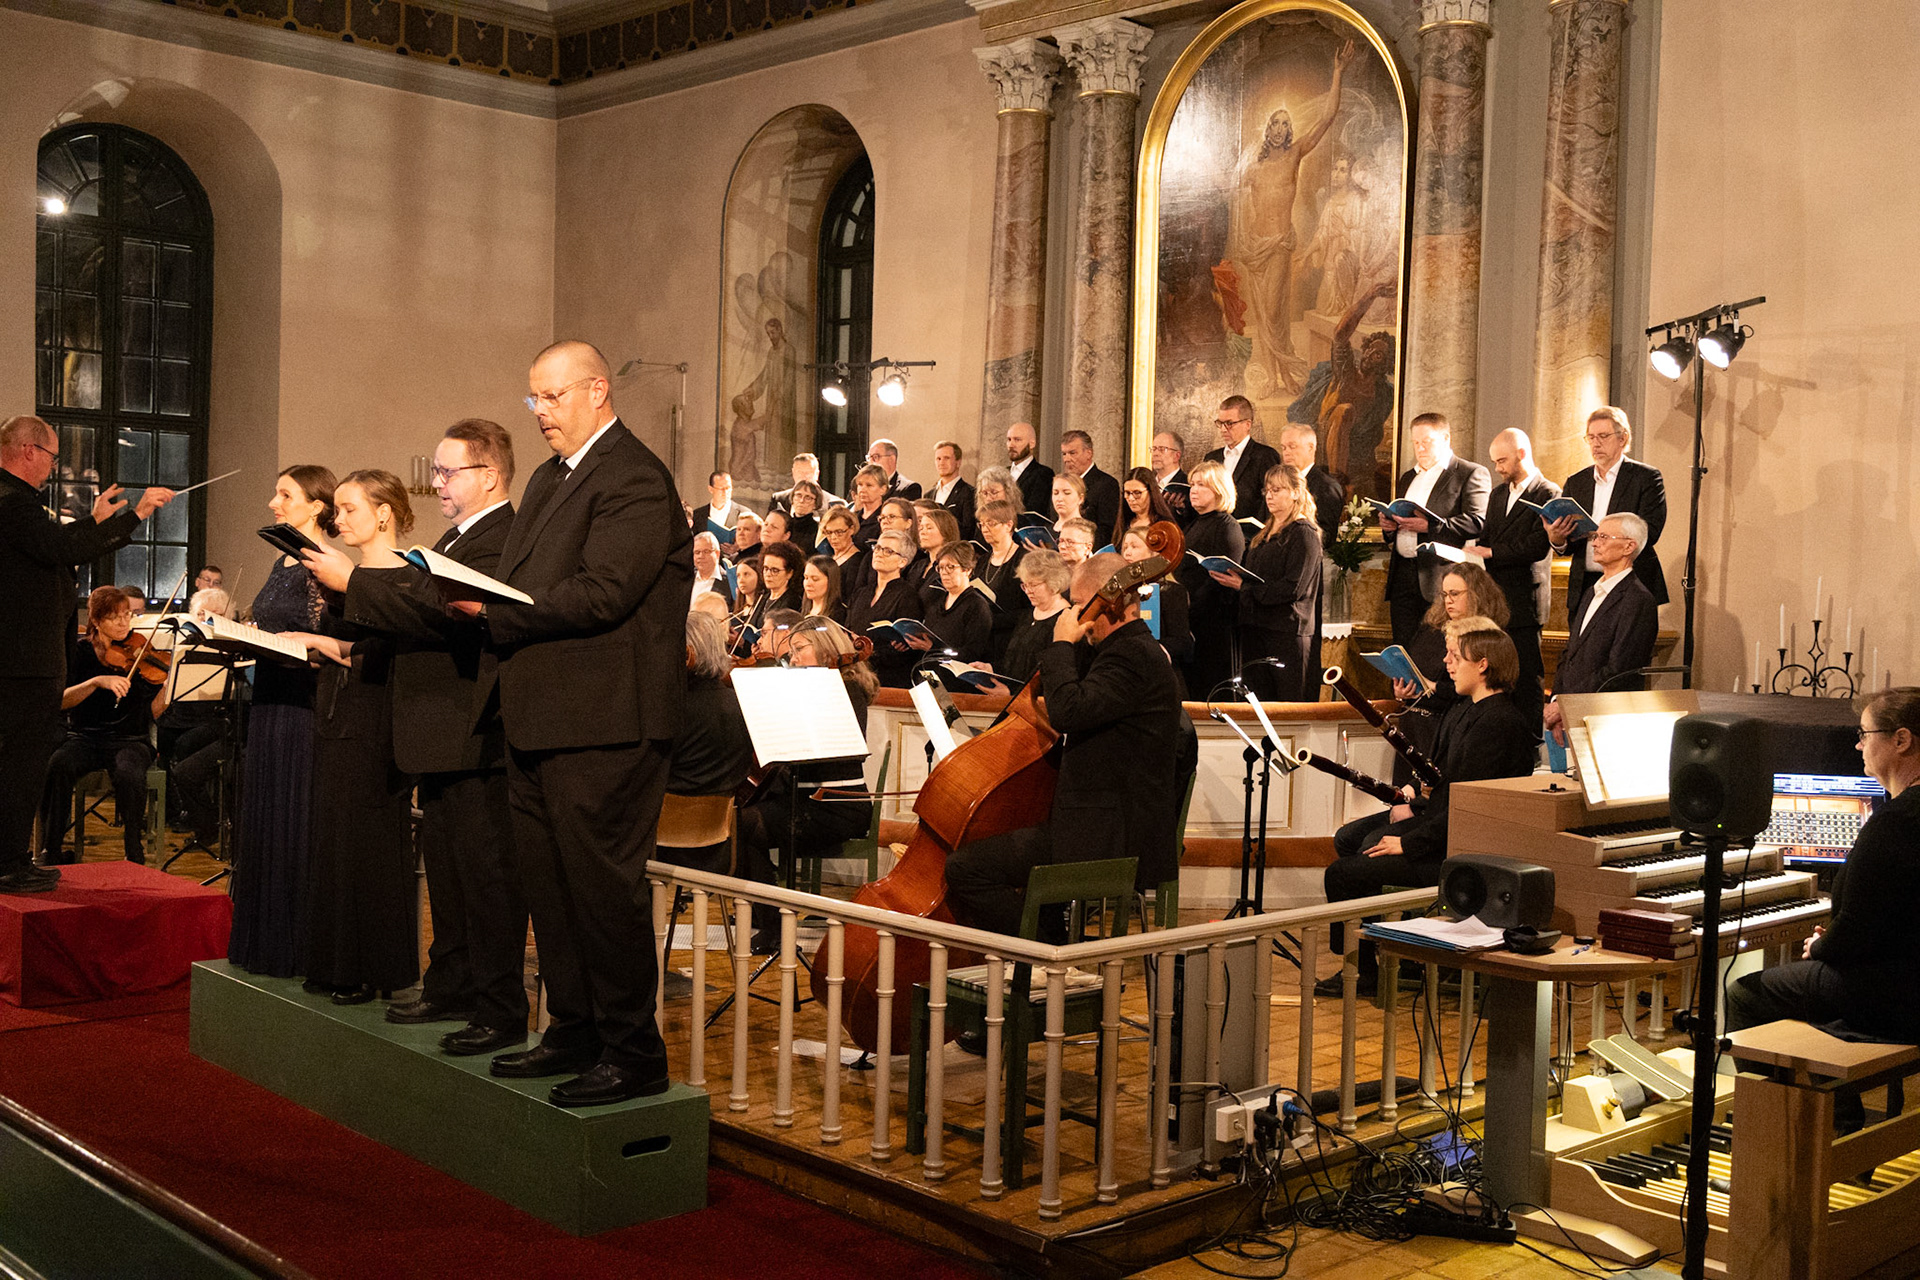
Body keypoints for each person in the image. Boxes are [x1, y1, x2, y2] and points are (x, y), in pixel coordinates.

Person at [462, 339, 690, 1107]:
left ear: (597, 390)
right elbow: (528, 580)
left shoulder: (634, 476)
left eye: (552, 397)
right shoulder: (551, 476)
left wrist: (492, 611)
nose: (540, 413)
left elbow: (604, 592)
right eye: (533, 398)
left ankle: (633, 1051)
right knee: (551, 889)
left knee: (601, 892)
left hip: (606, 722)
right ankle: (574, 1028)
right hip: (541, 715)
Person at [306, 419, 529, 1052]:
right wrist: (347, 593)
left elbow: (443, 618)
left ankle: (499, 1008)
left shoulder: (503, 538)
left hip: (473, 730)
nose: (437, 483)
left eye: (448, 471)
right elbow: (418, 611)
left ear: (489, 476)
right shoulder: (456, 539)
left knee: (486, 880)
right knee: (451, 878)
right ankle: (451, 986)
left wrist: (355, 583)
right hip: (438, 731)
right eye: (436, 471)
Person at [944, 553, 1191, 935]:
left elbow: (1068, 712)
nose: (1073, 614)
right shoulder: (1118, 651)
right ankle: (1052, 947)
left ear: (1110, 603)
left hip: (1109, 834)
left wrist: (1061, 643)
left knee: (966, 868)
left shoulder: (1132, 656)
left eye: (1078, 604)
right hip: (1095, 822)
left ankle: (1048, 950)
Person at [1727, 687, 1920, 1133]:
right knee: (1807, 986)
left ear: (1901, 740)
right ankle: (1838, 1119)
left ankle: (1797, 1133)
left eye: (1864, 734)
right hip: (1904, 975)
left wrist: (1821, 946)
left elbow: (1857, 929)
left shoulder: (1895, 822)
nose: (1858, 745)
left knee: (1746, 994)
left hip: (1895, 994)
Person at [0, 415, 171, 894]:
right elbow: (60, 548)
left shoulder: (13, 504)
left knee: (19, 762)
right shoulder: (14, 503)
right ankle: (8, 862)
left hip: (19, 659)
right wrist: (135, 515)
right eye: (52, 457)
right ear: (29, 451)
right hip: (24, 662)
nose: (53, 467)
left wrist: (95, 521)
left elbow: (52, 545)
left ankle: (12, 857)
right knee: (21, 765)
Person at [1319, 621, 1538, 996]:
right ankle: (1377, 958)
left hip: (1463, 850)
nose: (1446, 663)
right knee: (1357, 852)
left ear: (1483, 664)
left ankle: (1364, 969)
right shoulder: (1469, 709)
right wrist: (1420, 794)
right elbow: (1446, 786)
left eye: (1456, 657)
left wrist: (1408, 843)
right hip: (1445, 832)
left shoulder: (1498, 723)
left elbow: (1469, 812)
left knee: (1344, 873)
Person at [282, 470, 419, 1005]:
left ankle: (375, 967)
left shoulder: (408, 576)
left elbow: (390, 649)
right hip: (337, 709)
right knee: (334, 837)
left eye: (349, 509)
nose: (338, 520)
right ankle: (335, 962)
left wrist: (328, 644)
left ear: (384, 514)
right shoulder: (348, 574)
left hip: (377, 714)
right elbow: (346, 644)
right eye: (336, 510)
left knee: (369, 841)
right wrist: (312, 644)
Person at [228, 465, 334, 975]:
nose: (274, 502)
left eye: (285, 495)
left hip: (299, 708)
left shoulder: (321, 565)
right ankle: (262, 945)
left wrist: (279, 642)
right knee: (266, 817)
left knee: (293, 819)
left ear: (316, 506)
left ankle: (293, 947)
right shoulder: (282, 560)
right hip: (268, 702)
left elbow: (321, 642)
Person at [735, 618, 878, 951]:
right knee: (736, 821)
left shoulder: (847, 690)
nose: (794, 658)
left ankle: (773, 924)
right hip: (805, 798)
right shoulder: (806, 688)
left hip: (837, 805)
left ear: (826, 649)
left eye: (800, 649)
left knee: (743, 826)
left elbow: (831, 752)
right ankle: (770, 915)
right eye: (792, 652)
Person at [39, 586, 171, 865]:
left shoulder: (141, 653)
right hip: (85, 737)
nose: (124, 623)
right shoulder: (80, 652)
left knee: (128, 772)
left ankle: (133, 850)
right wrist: (97, 682)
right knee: (58, 764)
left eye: (127, 615)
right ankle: (51, 849)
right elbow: (61, 701)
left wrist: (168, 690)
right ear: (97, 621)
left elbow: (151, 713)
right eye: (115, 617)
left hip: (130, 739)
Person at [1467, 427, 1559, 730]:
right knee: (1499, 675)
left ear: (1521, 454)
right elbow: (1487, 537)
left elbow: (1537, 546)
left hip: (1525, 598)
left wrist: (1492, 552)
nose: (1497, 468)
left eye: (1502, 461)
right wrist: (1473, 552)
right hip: (1496, 599)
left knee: (1526, 675)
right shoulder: (1498, 494)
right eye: (1494, 462)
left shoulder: (1547, 493)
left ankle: (1530, 739)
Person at [1543, 513, 1659, 743]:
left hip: (1605, 719)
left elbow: (1619, 669)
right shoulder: (1591, 592)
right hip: (1571, 713)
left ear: (1628, 547)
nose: (1595, 543)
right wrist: (1557, 701)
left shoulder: (1638, 600)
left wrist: (1568, 705)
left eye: (1603, 537)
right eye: (1595, 536)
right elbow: (1570, 652)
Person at [1380, 413, 1490, 649]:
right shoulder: (1408, 477)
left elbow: (1477, 522)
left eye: (1426, 442)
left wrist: (1430, 526)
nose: (1420, 448)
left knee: (1439, 650)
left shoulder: (1469, 473)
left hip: (1441, 577)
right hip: (1403, 575)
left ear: (1446, 438)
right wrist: (1389, 527)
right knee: (1403, 648)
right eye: (1415, 442)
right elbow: (1402, 522)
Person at [1212, 464, 1322, 702]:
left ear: (1295, 492)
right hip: (1256, 626)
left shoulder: (1304, 533)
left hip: (1285, 632)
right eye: (1267, 490)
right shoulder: (1265, 533)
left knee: (1288, 706)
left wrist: (1243, 587)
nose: (1269, 496)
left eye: (1277, 490)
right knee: (1257, 704)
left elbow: (1294, 587)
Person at [1551, 406, 1668, 615]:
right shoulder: (1576, 482)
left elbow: (1650, 532)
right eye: (1591, 437)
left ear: (1623, 438)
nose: (1596, 443)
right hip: (1585, 584)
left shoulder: (1645, 478)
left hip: (1628, 582)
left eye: (1603, 436)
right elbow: (1568, 546)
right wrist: (1558, 538)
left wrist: (1606, 537)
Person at [663, 612, 754, 876]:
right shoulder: (741, 703)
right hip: (719, 842)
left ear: (686, 653)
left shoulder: (673, 709)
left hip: (666, 842)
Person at [1176, 460, 1247, 698]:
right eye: (1192, 484)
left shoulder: (1227, 526)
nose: (1193, 490)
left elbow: (1220, 579)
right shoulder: (1196, 523)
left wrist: (1190, 607)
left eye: (1201, 485)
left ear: (1218, 489)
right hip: (1192, 618)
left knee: (1212, 690)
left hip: (1213, 622)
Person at [846, 530, 926, 689]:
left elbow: (903, 650)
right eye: (877, 548)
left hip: (887, 680)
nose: (878, 553)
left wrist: (867, 650)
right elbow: (848, 628)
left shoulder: (907, 596)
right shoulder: (862, 593)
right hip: (856, 675)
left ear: (902, 562)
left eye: (888, 551)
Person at [1119, 527, 1192, 678]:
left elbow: (1182, 641)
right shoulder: (1120, 591)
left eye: (1134, 547)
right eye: (1125, 547)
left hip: (1161, 672)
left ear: (1154, 553)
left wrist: (1152, 650)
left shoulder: (1171, 591)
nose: (1127, 553)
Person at [993, 549, 1070, 687]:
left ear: (1054, 582)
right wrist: (990, 668)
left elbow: (1052, 676)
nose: (1028, 591)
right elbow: (1014, 660)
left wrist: (1011, 693)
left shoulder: (1064, 619)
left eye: (1033, 585)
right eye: (1025, 585)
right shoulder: (1027, 615)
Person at [1203, 395, 1283, 523]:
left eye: (1229, 423)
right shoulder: (1211, 458)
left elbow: (1271, 501)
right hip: (1214, 528)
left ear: (1247, 424)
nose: (1223, 429)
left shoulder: (1265, 456)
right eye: (1220, 423)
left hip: (1250, 532)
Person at [910, 544, 992, 665]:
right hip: (928, 668)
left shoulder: (977, 606)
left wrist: (933, 649)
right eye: (941, 568)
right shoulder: (937, 601)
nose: (944, 573)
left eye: (950, 567)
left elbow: (972, 653)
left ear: (967, 570)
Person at [974, 499, 1027, 665]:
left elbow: (1028, 610)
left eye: (991, 523)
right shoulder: (983, 560)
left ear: (1009, 525)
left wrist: (992, 620)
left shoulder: (1024, 559)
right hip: (984, 639)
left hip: (1009, 640)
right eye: (982, 524)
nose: (985, 529)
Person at [1278, 423, 1346, 547]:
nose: (1286, 453)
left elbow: (1326, 536)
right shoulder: (1279, 483)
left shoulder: (1326, 486)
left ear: (1310, 448)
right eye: (1283, 448)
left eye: (1292, 447)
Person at [1059, 429, 1120, 537]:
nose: (1067, 459)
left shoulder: (1106, 484)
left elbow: (1106, 530)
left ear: (1089, 453)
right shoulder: (1060, 485)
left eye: (1072, 453)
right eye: (1064, 454)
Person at [1112, 466, 1176, 549]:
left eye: (1137, 493)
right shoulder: (1124, 522)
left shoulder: (1164, 525)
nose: (1131, 498)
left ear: (1151, 492)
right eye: (1127, 493)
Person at [912, 503, 962, 606]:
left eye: (929, 528)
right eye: (921, 528)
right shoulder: (918, 565)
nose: (922, 532)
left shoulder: (952, 568)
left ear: (946, 532)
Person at [929, 440, 975, 540]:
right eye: (938, 459)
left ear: (958, 462)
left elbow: (969, 530)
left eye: (946, 458)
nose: (941, 463)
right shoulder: (928, 495)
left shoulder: (969, 493)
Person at [1006, 421, 1054, 514]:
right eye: (1009, 439)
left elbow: (1035, 510)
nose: (1011, 445)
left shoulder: (1043, 474)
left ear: (1032, 444)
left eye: (1017, 440)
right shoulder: (1002, 474)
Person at [692, 471, 744, 553]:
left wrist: (738, 547)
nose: (725, 492)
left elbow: (753, 542)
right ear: (710, 489)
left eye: (728, 488)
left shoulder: (743, 513)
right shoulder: (698, 515)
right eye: (721, 489)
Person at [820, 505, 866, 595]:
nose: (833, 537)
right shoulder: (829, 556)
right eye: (829, 532)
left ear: (851, 529)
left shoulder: (857, 562)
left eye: (839, 532)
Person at [1149, 431, 1194, 526]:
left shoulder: (1188, 485)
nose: (1155, 454)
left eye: (1162, 449)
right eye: (1153, 449)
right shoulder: (1147, 484)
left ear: (1176, 456)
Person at [758, 540, 806, 614]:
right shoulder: (763, 598)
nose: (768, 574)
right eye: (766, 568)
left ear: (790, 573)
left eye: (775, 570)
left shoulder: (793, 603)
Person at [849, 463, 888, 549]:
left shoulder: (885, 520)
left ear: (883, 489)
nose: (862, 489)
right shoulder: (853, 518)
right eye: (860, 484)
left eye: (869, 485)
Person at [691, 531, 733, 609]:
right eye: (697, 552)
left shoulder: (730, 583)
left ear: (717, 554)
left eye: (706, 551)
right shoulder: (687, 579)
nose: (701, 556)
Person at [801, 554, 844, 624]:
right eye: (806, 578)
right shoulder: (801, 610)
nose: (808, 584)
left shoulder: (838, 615)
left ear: (831, 581)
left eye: (815, 579)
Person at [783, 480, 823, 552]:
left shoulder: (818, 530)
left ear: (815, 503)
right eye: (798, 495)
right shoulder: (785, 525)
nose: (801, 500)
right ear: (792, 498)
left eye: (808, 497)